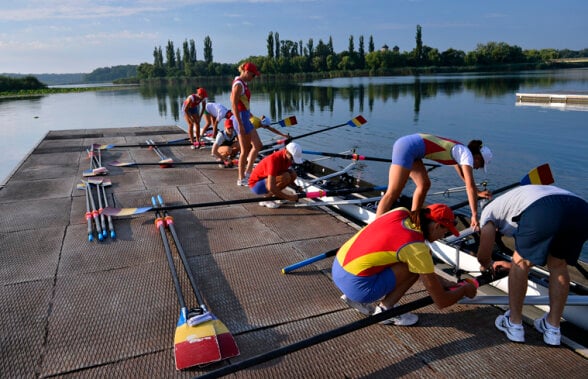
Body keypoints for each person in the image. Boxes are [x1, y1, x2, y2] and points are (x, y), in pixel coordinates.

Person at [476, 185, 588, 346]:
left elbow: (484, 249)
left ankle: (514, 324)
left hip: (545, 209)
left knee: (520, 262)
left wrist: (487, 264)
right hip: (581, 211)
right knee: (558, 265)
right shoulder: (512, 201)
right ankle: (552, 327)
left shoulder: (488, 211)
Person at [333, 203, 477, 326]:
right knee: (413, 268)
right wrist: (464, 290)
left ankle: (351, 295)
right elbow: (441, 301)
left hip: (338, 268)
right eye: (445, 232)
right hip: (359, 287)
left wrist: (444, 282)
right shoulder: (416, 248)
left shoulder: (400, 212)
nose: (443, 237)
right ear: (437, 226)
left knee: (400, 256)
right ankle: (385, 311)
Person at [375, 133, 493, 231]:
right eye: (480, 165)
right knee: (393, 193)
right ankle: (374, 228)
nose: (477, 168)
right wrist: (474, 215)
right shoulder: (466, 156)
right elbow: (470, 187)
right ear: (477, 157)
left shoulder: (462, 152)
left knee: (424, 184)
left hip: (413, 149)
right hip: (406, 147)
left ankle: (414, 221)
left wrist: (477, 192)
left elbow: (465, 178)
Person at [231, 62, 261, 186]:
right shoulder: (238, 84)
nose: (253, 78)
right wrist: (240, 123)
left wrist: (252, 117)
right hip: (241, 119)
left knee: (258, 145)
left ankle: (248, 173)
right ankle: (241, 178)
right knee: (244, 150)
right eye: (253, 75)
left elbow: (241, 103)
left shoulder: (242, 83)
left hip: (246, 116)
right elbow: (233, 104)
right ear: (247, 72)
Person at [248, 142, 302, 209]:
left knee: (293, 174)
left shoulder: (287, 158)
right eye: (292, 158)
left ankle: (275, 196)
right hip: (256, 185)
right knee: (286, 176)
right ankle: (266, 199)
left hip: (266, 181)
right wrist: (289, 197)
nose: (292, 161)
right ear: (286, 151)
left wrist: (296, 187)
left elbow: (287, 179)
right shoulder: (273, 160)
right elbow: (271, 187)